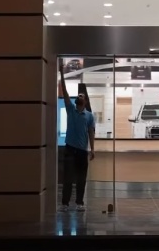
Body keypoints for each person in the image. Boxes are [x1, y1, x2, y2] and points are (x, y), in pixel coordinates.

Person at [59, 72, 95, 212]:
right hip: (70, 149)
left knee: (81, 178)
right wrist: (62, 74)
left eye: (81, 96)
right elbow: (65, 92)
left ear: (85, 101)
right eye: (78, 96)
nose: (79, 97)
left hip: (81, 151)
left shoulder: (89, 116)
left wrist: (92, 149)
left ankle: (79, 202)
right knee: (67, 178)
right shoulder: (71, 110)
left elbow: (91, 132)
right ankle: (65, 203)